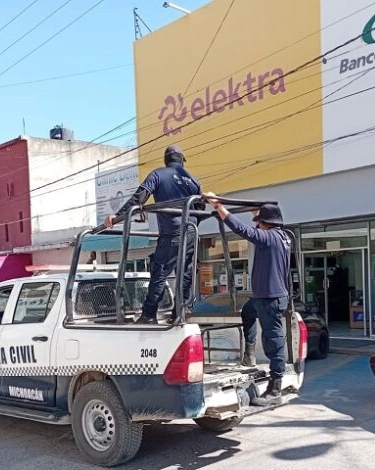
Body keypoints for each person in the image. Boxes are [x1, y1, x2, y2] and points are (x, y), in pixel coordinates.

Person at [204, 193, 291, 406]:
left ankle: (275, 388)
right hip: (265, 296)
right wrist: (256, 210)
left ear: (265, 224)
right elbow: (261, 221)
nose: (257, 225)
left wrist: (219, 207)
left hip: (270, 298)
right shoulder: (284, 235)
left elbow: (242, 229)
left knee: (273, 341)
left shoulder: (268, 238)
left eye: (259, 221)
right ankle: (249, 352)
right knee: (247, 312)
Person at [104, 145, 201, 324]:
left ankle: (149, 314)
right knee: (185, 271)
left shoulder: (157, 174)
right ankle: (181, 310)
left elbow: (138, 198)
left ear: (166, 160)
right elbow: (201, 207)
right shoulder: (192, 180)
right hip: (191, 231)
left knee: (160, 271)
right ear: (181, 161)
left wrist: (116, 217)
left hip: (173, 232)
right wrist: (191, 226)